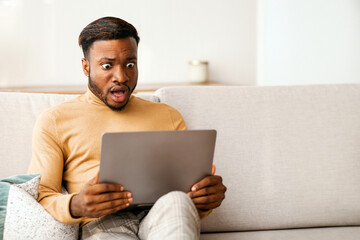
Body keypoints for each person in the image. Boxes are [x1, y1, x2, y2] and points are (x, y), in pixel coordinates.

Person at [28, 16, 227, 240]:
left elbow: (189, 195)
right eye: (107, 66)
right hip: (103, 223)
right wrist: (77, 205)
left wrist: (205, 199)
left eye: (130, 64)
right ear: (86, 67)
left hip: (162, 213)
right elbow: (43, 195)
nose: (121, 76)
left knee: (177, 200)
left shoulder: (168, 116)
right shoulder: (55, 120)